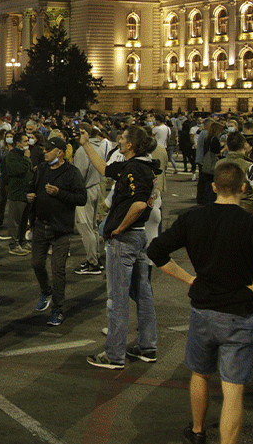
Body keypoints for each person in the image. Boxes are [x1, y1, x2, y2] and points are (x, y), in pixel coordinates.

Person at [147, 162, 253, 444]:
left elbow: (156, 250)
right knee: (233, 389)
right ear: (243, 188)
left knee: (200, 374)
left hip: (202, 310)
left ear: (213, 188)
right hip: (238, 312)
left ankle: (198, 431)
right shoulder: (251, 223)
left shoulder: (192, 218)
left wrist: (189, 279)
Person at [79, 127, 159, 369]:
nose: (119, 140)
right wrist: (85, 144)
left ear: (131, 145)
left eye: (123, 138)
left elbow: (139, 204)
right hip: (139, 239)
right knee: (143, 294)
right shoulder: (140, 166)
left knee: (117, 299)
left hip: (126, 240)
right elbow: (104, 169)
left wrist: (119, 227)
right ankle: (148, 346)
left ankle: (114, 354)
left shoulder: (135, 168)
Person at [26, 136, 87, 326]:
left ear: (59, 153)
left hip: (60, 228)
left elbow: (81, 198)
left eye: (48, 150)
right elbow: (32, 187)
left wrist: (59, 193)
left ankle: (57, 309)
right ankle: (46, 291)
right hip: (40, 225)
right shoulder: (42, 169)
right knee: (37, 263)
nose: (44, 152)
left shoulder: (71, 172)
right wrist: (29, 196)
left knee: (58, 269)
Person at [73, 125, 107, 276]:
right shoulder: (97, 147)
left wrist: (75, 191)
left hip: (85, 190)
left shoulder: (82, 151)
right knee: (92, 227)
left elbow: (80, 174)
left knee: (85, 228)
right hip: (95, 187)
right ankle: (95, 258)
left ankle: (92, 262)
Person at [5, 132, 33, 255]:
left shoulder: (24, 155)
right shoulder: (12, 156)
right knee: (15, 221)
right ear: (18, 143)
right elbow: (18, 170)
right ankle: (13, 244)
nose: (28, 143)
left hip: (26, 193)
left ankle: (22, 241)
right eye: (25, 141)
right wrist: (26, 158)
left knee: (23, 220)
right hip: (17, 193)